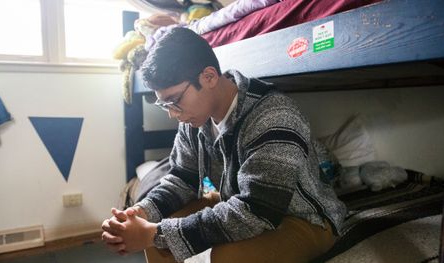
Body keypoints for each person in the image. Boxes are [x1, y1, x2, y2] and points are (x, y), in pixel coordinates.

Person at [102, 27, 346, 263]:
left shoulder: (273, 117)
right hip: (239, 200)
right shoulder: (194, 119)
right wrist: (141, 213)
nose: (172, 114)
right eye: (165, 104)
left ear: (208, 77)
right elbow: (182, 178)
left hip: (302, 218)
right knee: (159, 226)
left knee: (226, 258)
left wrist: (155, 233)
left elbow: (257, 211)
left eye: (174, 101)